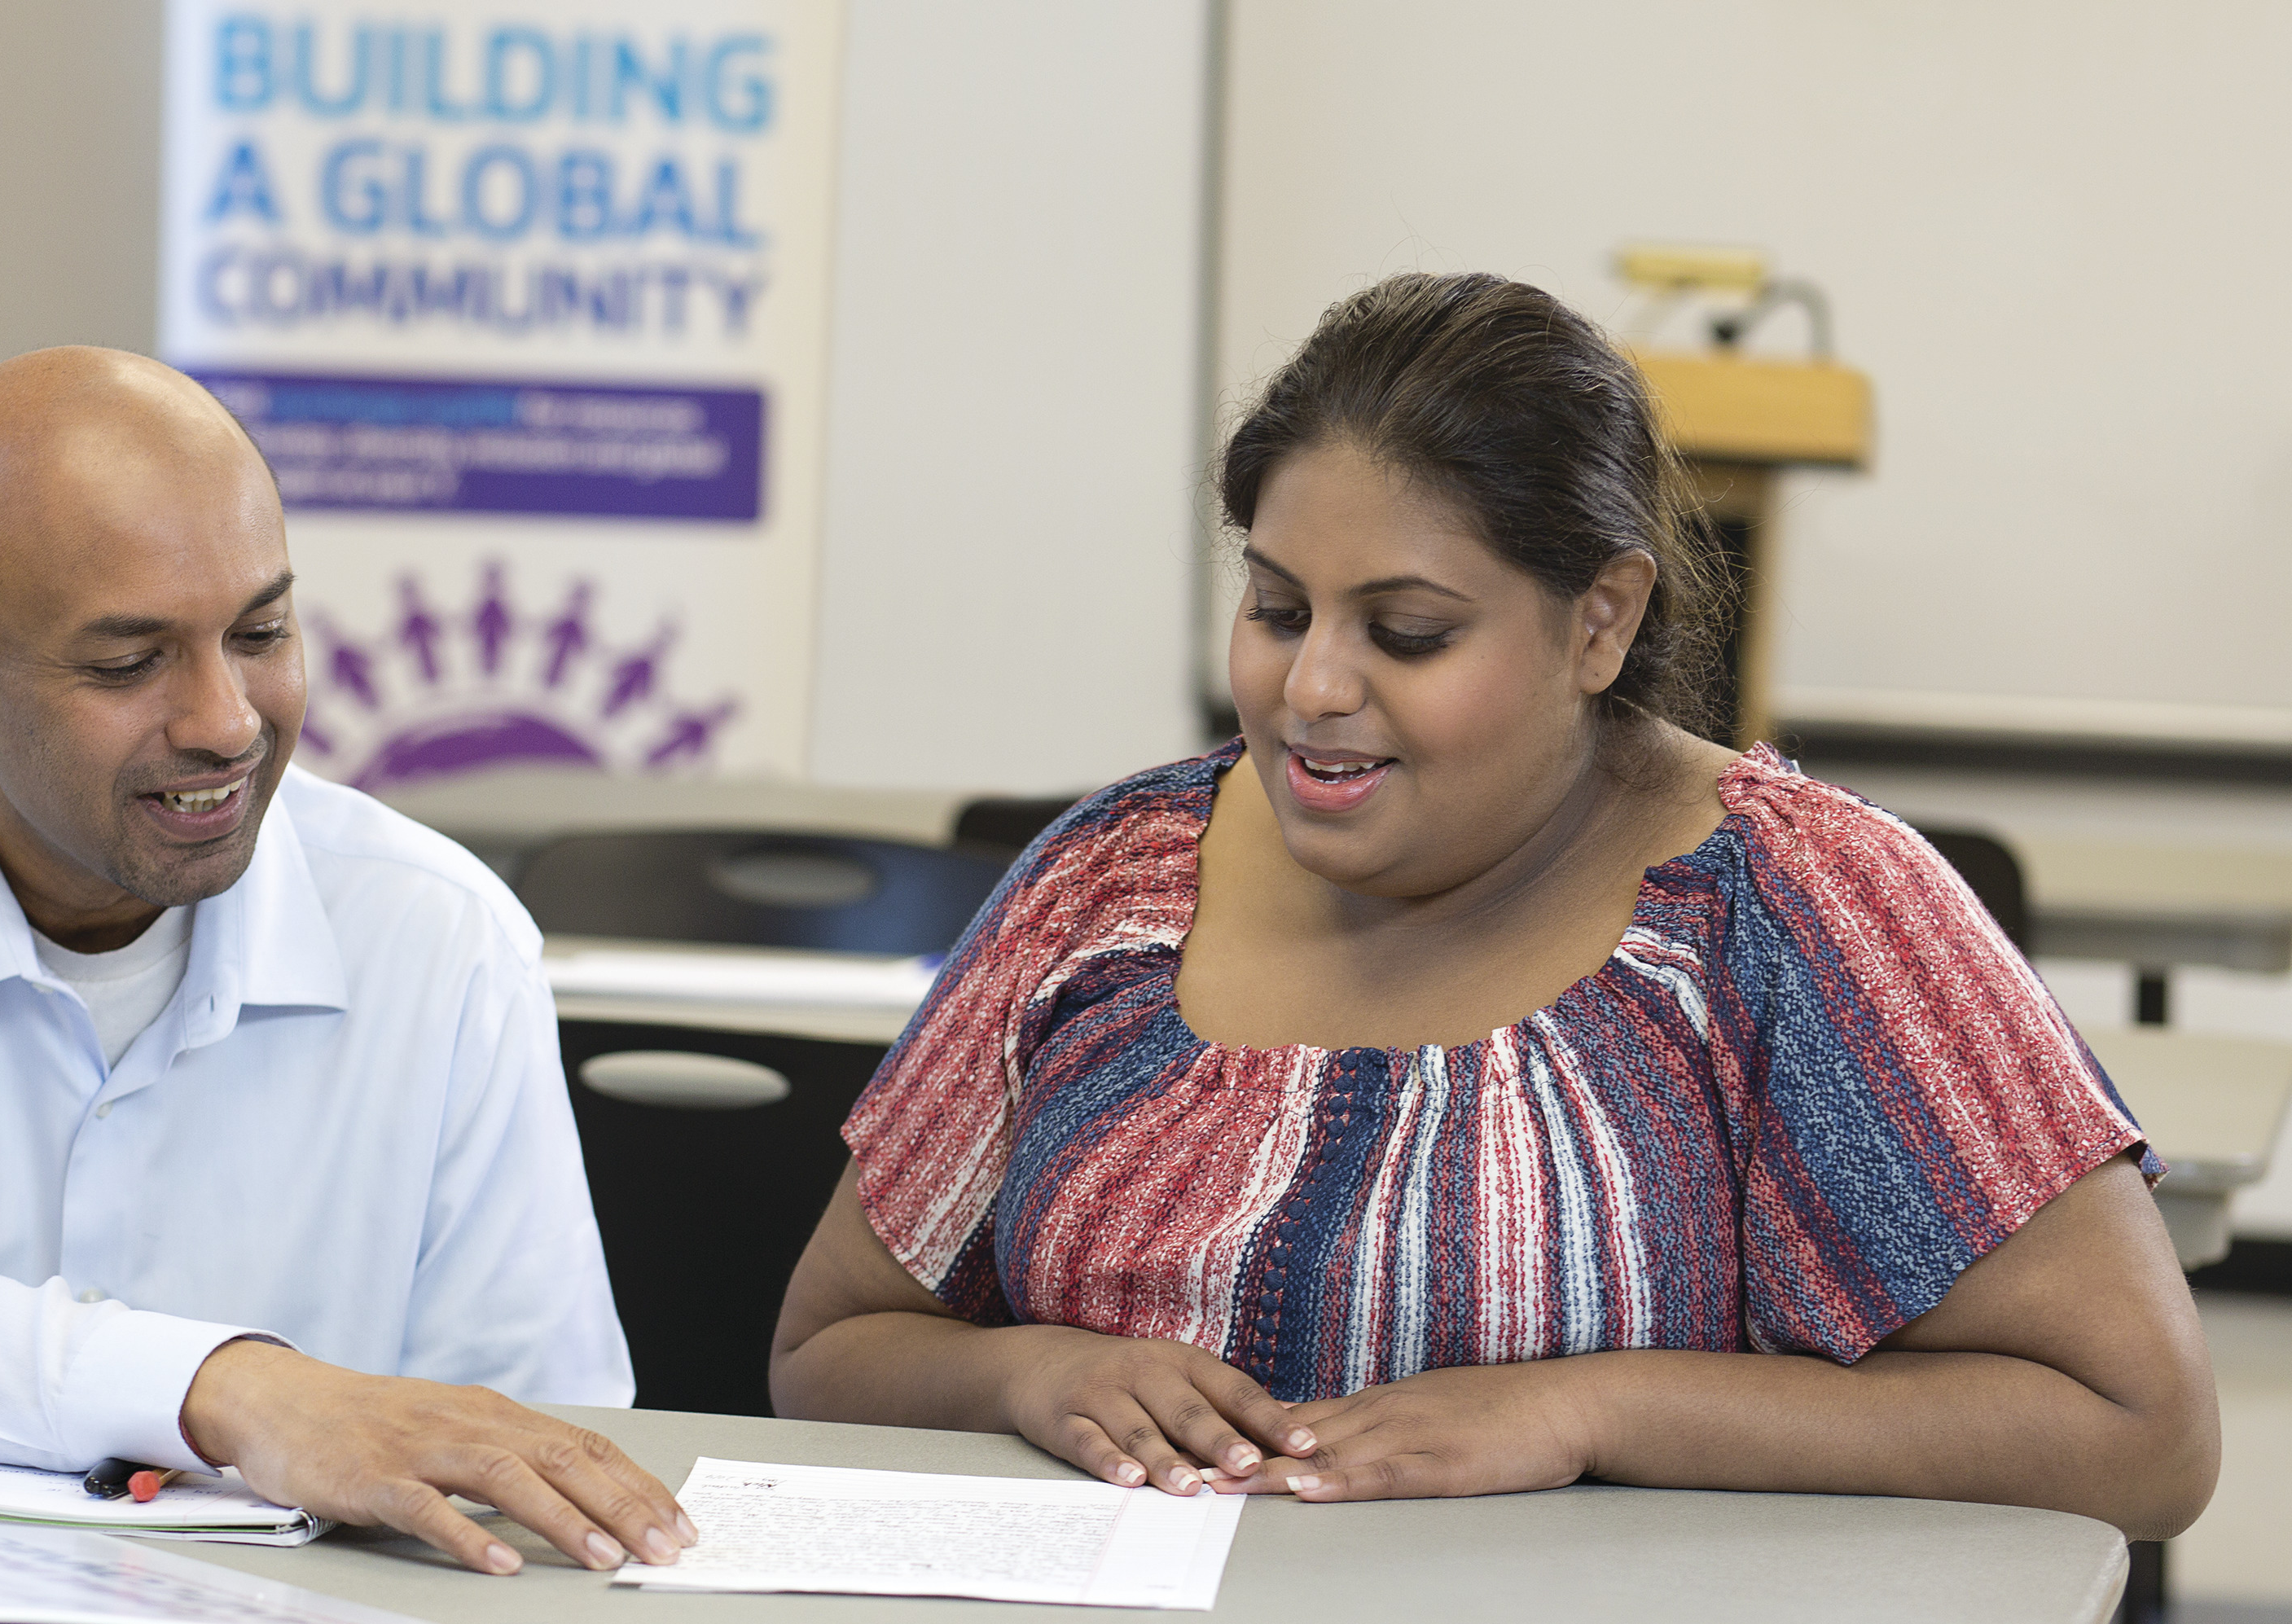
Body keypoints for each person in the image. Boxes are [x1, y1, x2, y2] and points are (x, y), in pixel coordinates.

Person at [771, 272, 2220, 1548]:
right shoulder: (1112, 879)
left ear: (1601, 621)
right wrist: (1030, 1375)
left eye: (1408, 633)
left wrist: (1584, 1412)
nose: (1313, 687)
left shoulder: (1801, 908)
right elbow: (829, 1348)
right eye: (1278, 610)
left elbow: (2140, 1434)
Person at [0, 348, 691, 1579]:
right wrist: (233, 1392)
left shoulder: (439, 934)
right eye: (129, 664)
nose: (227, 721)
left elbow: (529, 1440)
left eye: (262, 632)